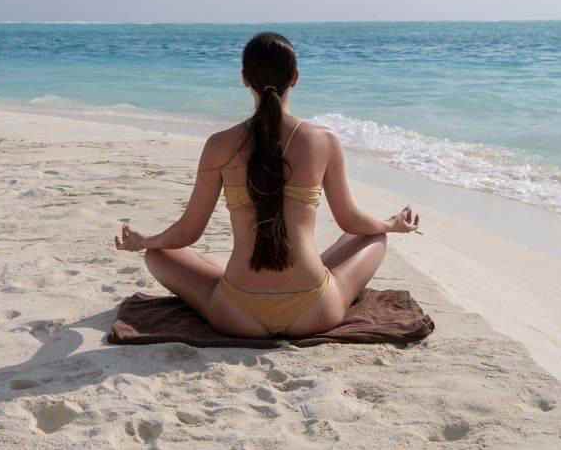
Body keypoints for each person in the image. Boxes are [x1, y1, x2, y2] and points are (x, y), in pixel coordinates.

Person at [114, 31, 420, 338]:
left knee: (158, 254)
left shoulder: (220, 145)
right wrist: (391, 224)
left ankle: (246, 279)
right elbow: (350, 221)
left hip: (236, 312)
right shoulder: (323, 141)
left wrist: (146, 241)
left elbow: (189, 231)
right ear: (296, 78)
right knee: (374, 236)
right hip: (315, 310)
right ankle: (305, 273)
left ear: (245, 79)